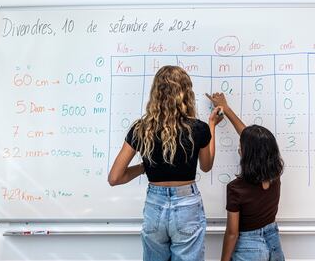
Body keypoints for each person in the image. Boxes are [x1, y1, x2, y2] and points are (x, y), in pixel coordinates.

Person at [108, 65, 223, 261]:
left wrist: (144, 167)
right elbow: (206, 166)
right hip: (187, 205)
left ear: (156, 93)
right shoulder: (199, 128)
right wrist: (212, 125)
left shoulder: (141, 129)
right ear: (186, 92)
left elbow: (115, 178)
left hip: (155, 205)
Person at [206, 92, 285, 261]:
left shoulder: (236, 188)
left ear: (246, 154)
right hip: (273, 242)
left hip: (249, 247)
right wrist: (225, 108)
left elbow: (232, 233)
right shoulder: (275, 175)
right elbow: (256, 141)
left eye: (241, 146)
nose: (239, 148)